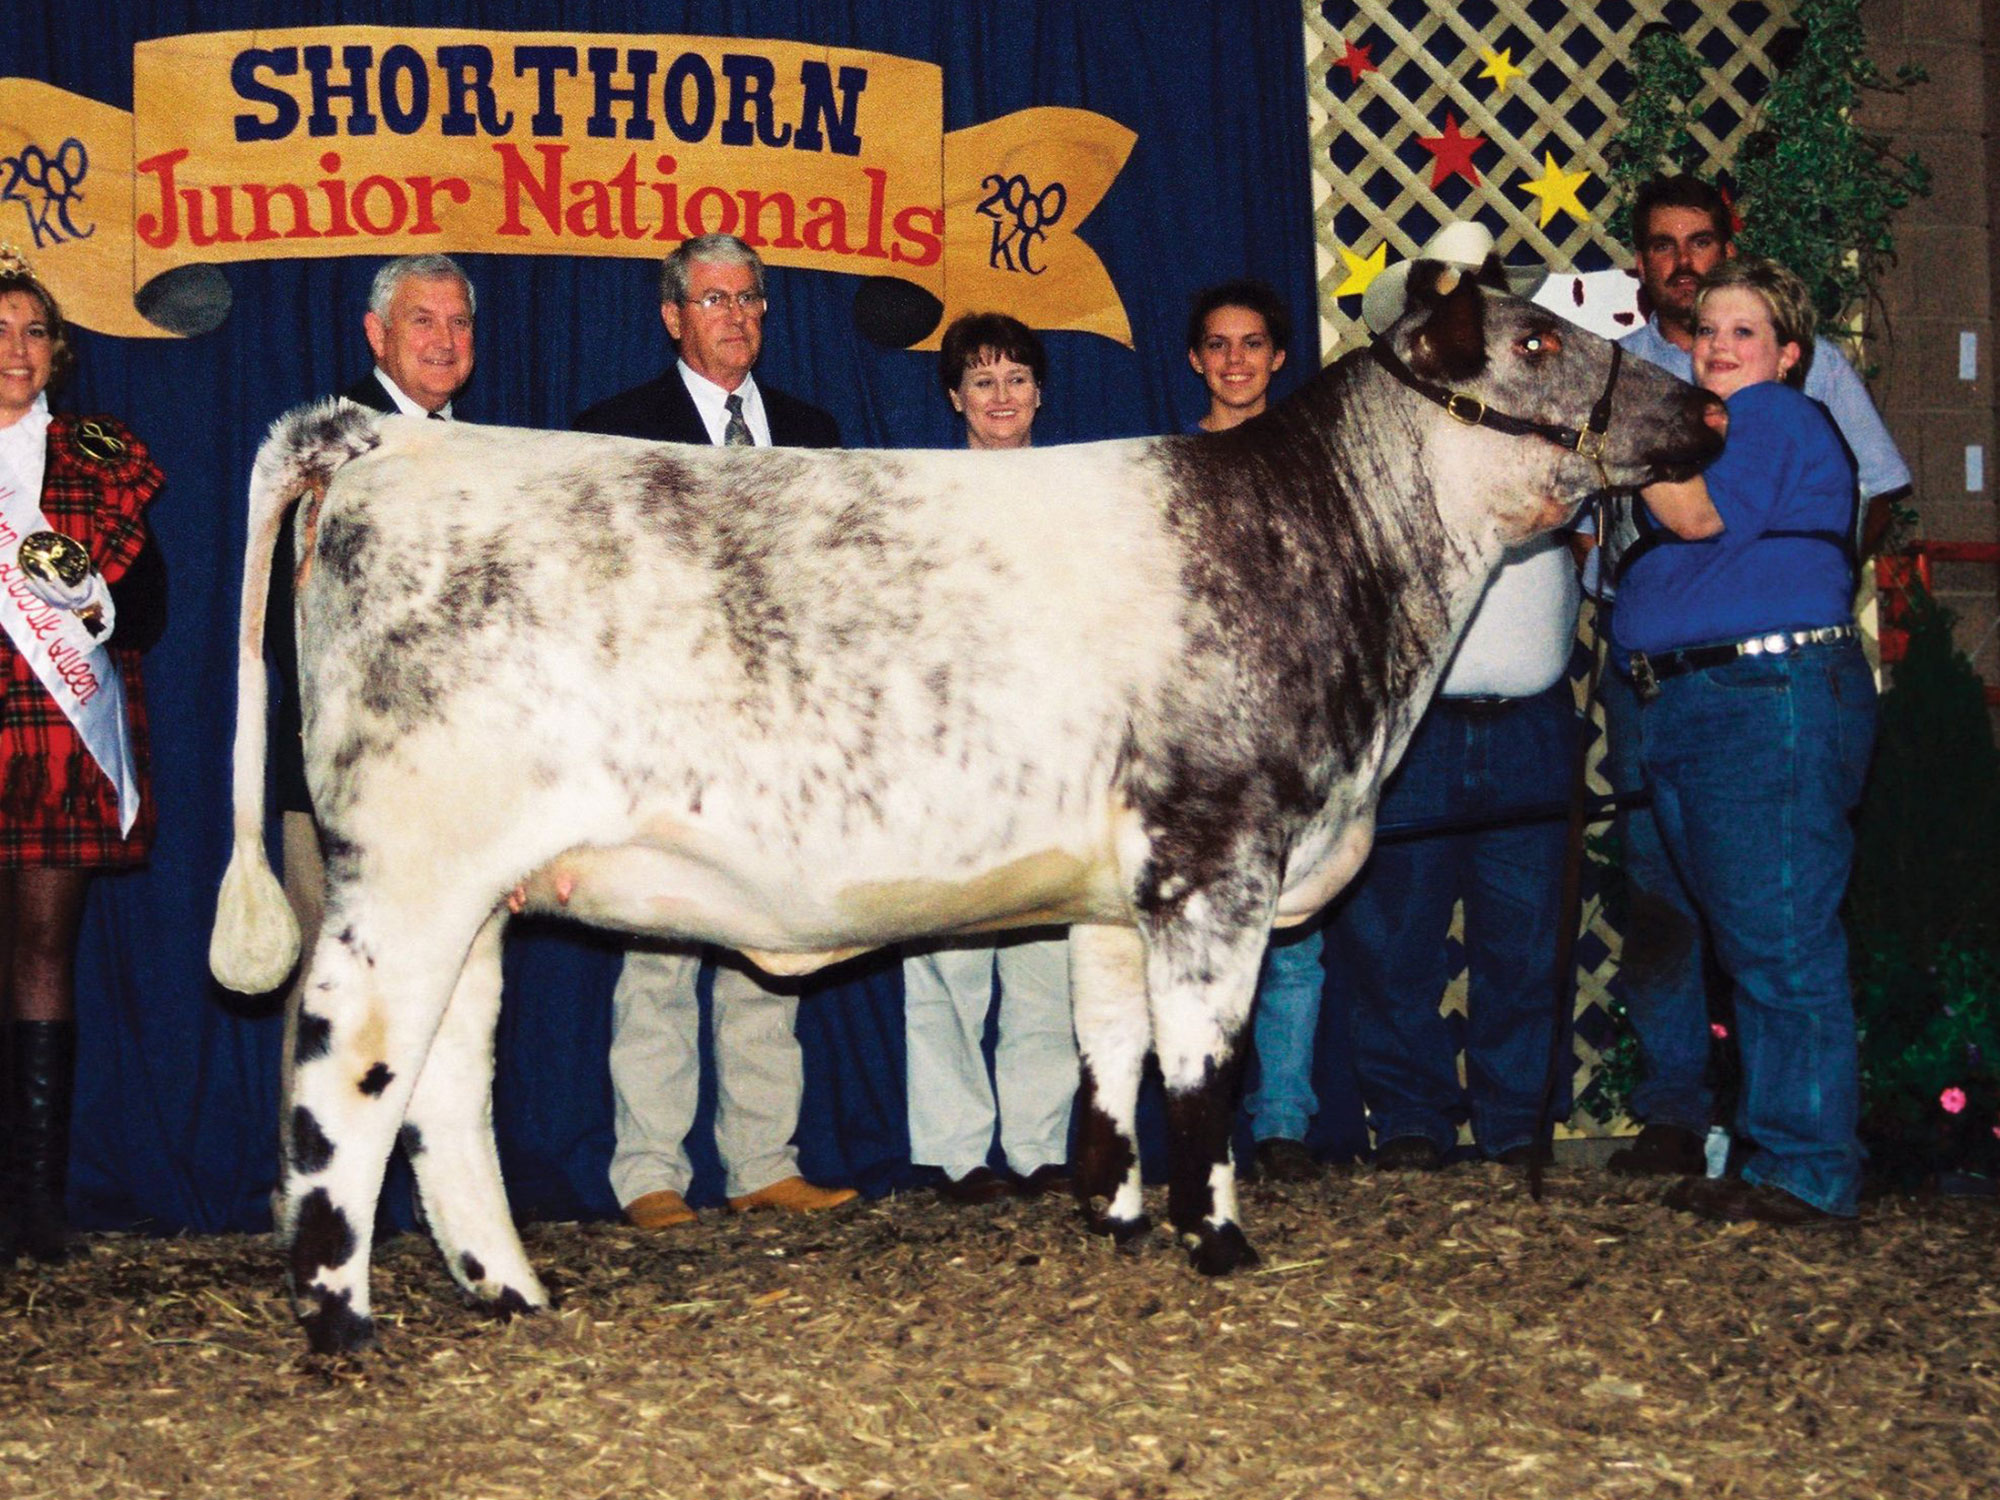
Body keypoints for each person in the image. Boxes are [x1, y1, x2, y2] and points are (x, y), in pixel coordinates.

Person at [1603, 176, 1909, 1179]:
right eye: (1708, 330)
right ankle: (1776, 1154)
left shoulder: (1772, 416)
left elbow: (1688, 518)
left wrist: (1615, 428)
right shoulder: (1716, 430)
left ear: (1788, 356)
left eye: (1745, 330)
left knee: (1777, 946)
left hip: (1761, 702)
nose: (1718, 342)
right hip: (1697, 703)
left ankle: (1807, 1169)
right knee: (1751, 945)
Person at [575, 233, 854, 1231]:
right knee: (658, 951)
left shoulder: (814, 433)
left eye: (747, 301)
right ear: (671, 316)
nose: (732, 317)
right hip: (662, 734)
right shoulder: (616, 432)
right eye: (711, 300)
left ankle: (761, 1160)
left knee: (765, 944)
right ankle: (649, 1169)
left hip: (777, 736)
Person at [1329, 222, 1581, 1172]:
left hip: (1529, 721)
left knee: (1525, 940)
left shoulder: (1554, 424)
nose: (1465, 319)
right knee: (1393, 938)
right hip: (1417, 727)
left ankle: (1517, 1124)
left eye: (1479, 297)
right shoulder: (1386, 444)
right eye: (1448, 301)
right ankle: (1410, 1123)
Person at [267, 254, 478, 1159]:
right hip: (344, 767)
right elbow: (293, 625)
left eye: (459, 323)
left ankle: (435, 1180)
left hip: (466, 780)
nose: (443, 340)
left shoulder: (491, 450)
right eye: (422, 321)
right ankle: (312, 1185)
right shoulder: (327, 449)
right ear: (375, 334)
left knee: (453, 986)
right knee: (333, 979)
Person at [0, 246, 165, 1262]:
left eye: (32, 332)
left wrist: (91, 602)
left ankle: (33, 1205)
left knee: (42, 953)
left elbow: (148, 610)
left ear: (57, 353)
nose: (14, 349)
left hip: (52, 726)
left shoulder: (100, 456)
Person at [901, 312, 1078, 1205]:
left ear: (1040, 392)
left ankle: (1042, 1143)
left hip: (1055, 759)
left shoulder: (1084, 493)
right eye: (982, 380)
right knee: (947, 963)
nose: (1001, 395)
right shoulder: (923, 500)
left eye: (1016, 378)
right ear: (954, 399)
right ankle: (956, 1152)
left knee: (1047, 961)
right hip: (952, 755)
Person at [1181, 279, 1325, 1182]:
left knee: (1295, 930)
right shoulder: (1171, 463)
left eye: (1253, 344)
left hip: (1291, 725)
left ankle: (1282, 1124)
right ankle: (1202, 1132)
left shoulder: (1311, 465)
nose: (1236, 361)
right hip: (1194, 728)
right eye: (1219, 345)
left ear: (1278, 358)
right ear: (1196, 360)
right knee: (1192, 934)